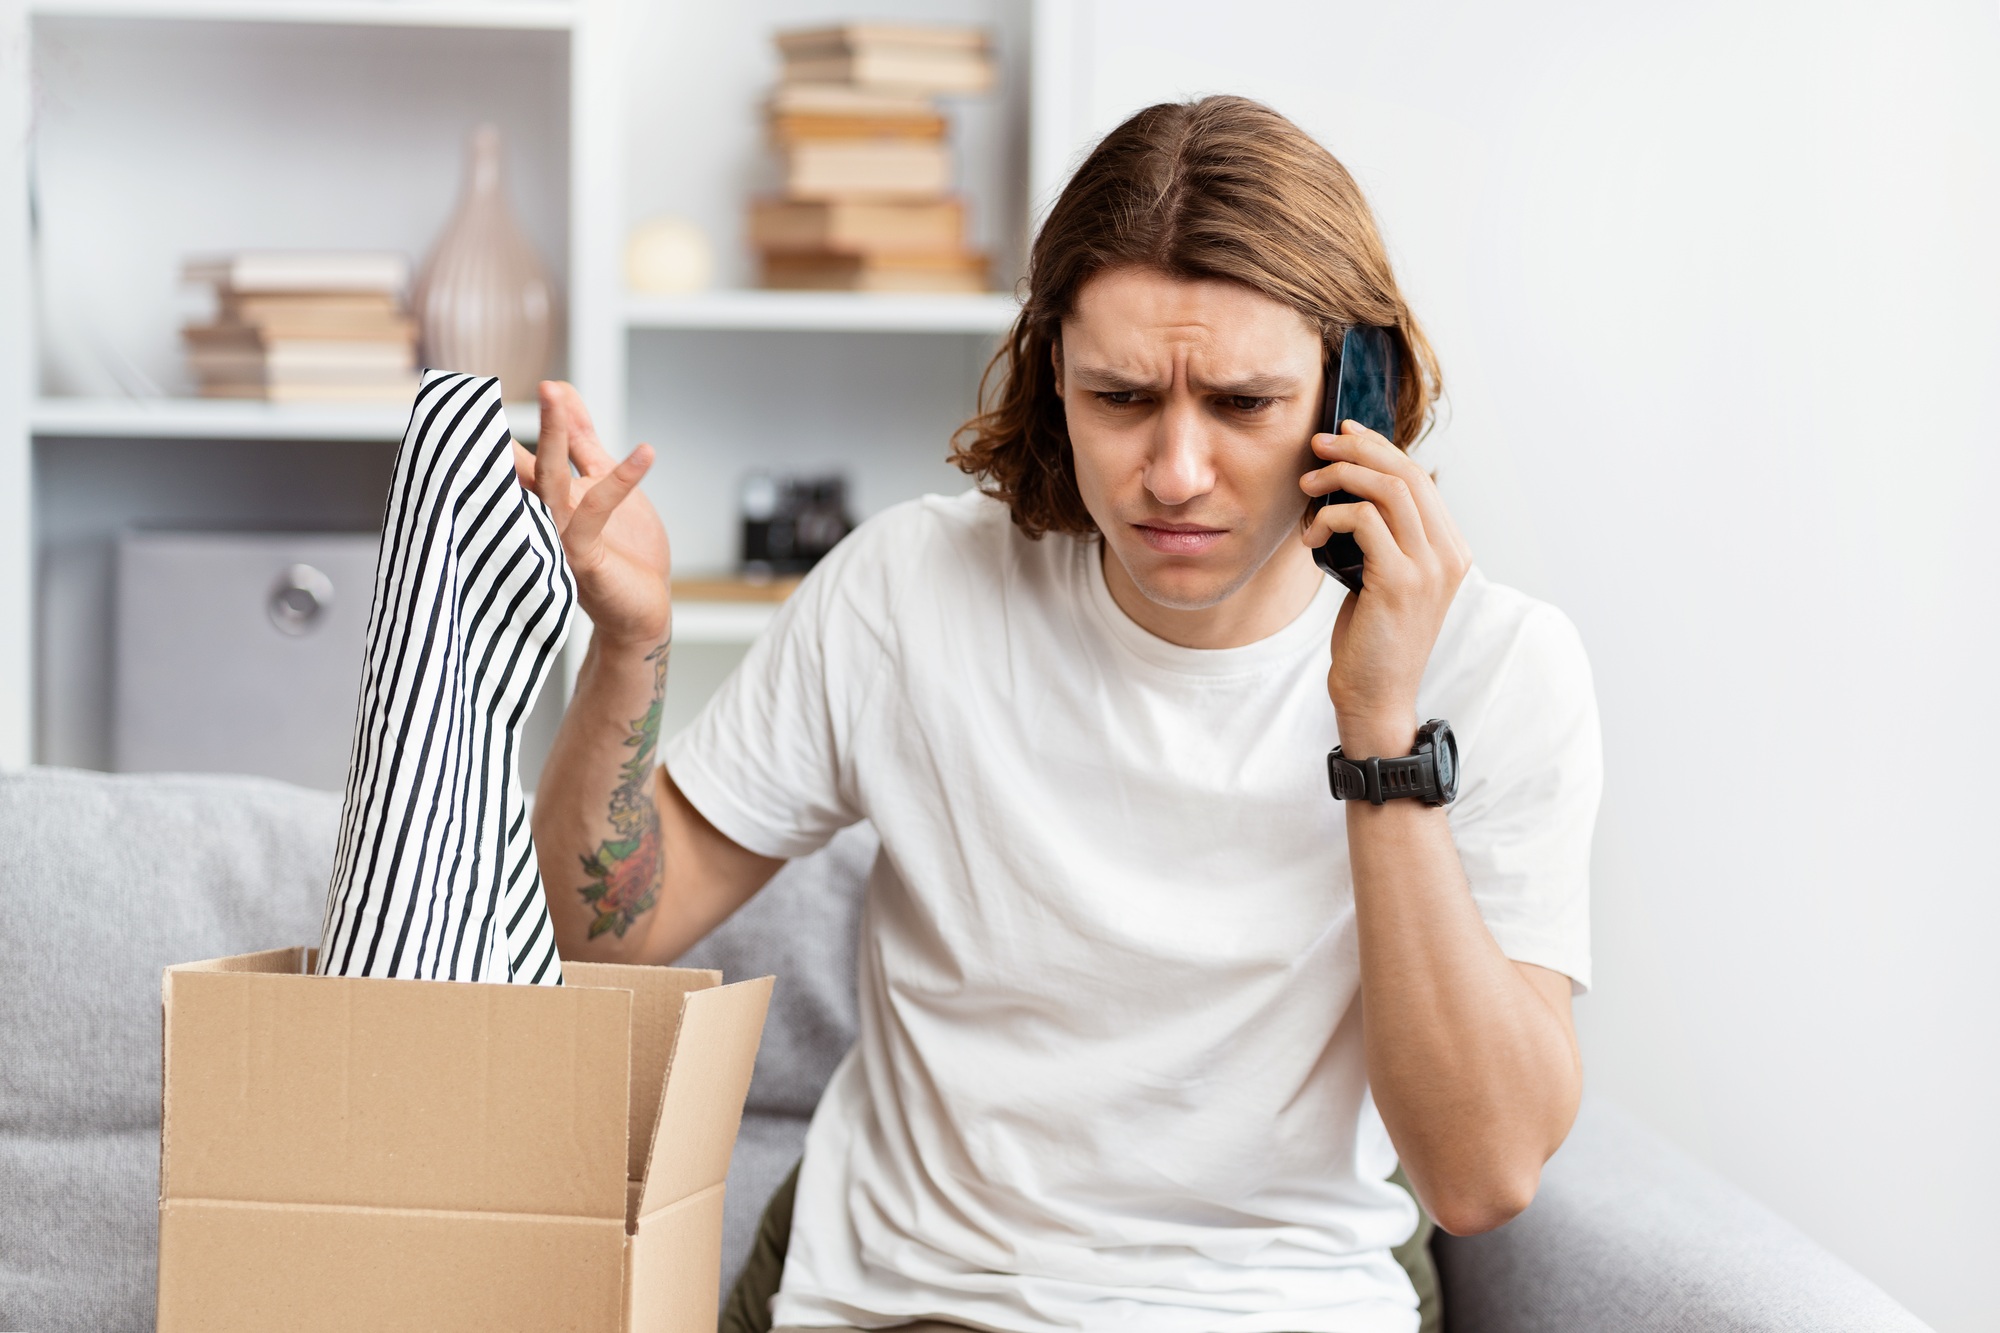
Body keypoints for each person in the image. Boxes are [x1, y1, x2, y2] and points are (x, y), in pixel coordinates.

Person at [522, 95, 1600, 1333]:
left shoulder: (1496, 664)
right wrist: (630, 647)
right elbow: (596, 937)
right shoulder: (906, 592)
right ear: (1053, 379)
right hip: (910, 1302)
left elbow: (1479, 1176)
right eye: (1121, 397)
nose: (1175, 473)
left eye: (1242, 404)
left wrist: (1377, 727)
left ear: (1351, 391)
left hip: (1274, 1306)